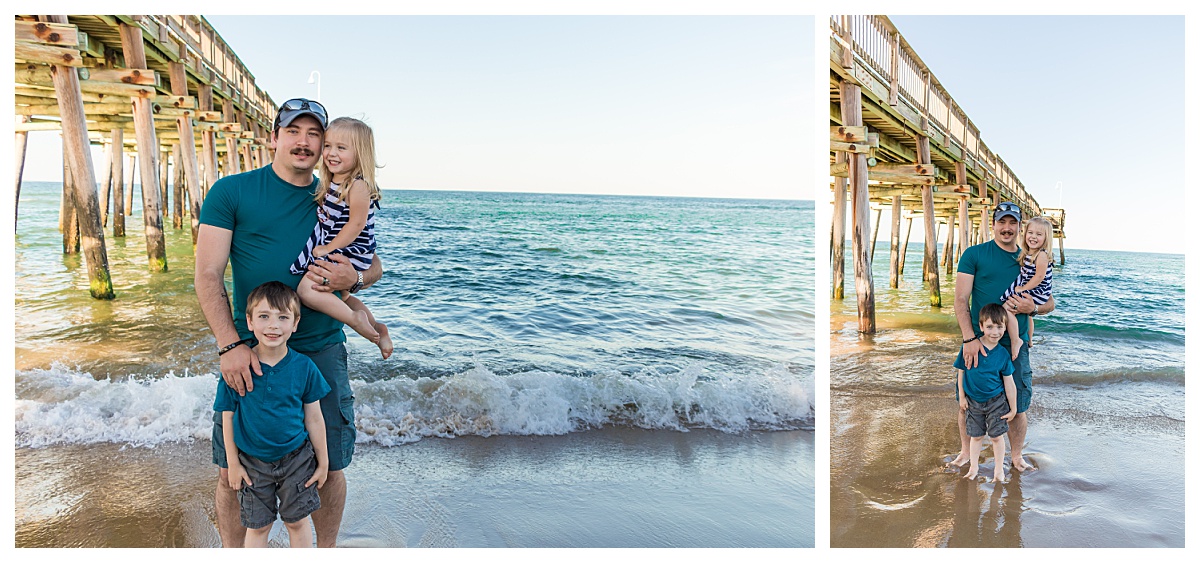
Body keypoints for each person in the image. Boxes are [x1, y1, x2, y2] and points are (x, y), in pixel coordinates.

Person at [196, 97, 383, 548]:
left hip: (320, 349)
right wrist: (229, 345)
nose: (303, 142)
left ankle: (326, 552)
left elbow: (373, 264)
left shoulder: (331, 195)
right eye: (293, 131)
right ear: (274, 137)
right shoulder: (233, 191)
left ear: (325, 145)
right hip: (249, 350)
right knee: (232, 470)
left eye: (313, 134)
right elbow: (206, 274)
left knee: (330, 464)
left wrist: (354, 277)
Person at [214, 282, 331, 548]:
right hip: (252, 462)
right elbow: (227, 417)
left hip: (296, 459)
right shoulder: (237, 368)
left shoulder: (305, 367)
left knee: (297, 522)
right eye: (264, 317)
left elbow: (314, 418)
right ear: (250, 322)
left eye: (282, 317)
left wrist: (322, 463)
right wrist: (232, 463)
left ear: (295, 323)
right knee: (258, 527)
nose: (273, 326)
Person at [951, 202, 1055, 474]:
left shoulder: (1028, 257)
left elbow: (1050, 302)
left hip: (1014, 346)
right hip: (978, 341)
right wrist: (968, 338)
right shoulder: (975, 254)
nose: (1007, 228)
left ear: (1020, 227)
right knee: (967, 402)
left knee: (1018, 405)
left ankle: (1016, 457)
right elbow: (961, 299)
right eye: (1002, 222)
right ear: (993, 223)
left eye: (1013, 223)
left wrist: (1030, 308)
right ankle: (965, 452)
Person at [289, 117, 392, 359]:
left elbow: (356, 224)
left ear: (360, 153)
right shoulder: (333, 181)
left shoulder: (358, 185)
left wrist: (328, 248)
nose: (331, 153)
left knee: (307, 290)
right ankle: (378, 329)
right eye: (328, 146)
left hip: (352, 250)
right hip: (343, 248)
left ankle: (356, 321)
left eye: (341, 148)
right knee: (342, 297)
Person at [954, 303, 1017, 483]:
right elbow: (961, 371)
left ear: (1005, 327)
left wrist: (1013, 408)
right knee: (976, 436)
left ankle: (999, 471)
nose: (995, 332)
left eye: (999, 327)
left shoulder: (1003, 354)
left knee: (997, 437)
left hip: (996, 401)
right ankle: (974, 468)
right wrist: (962, 396)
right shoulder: (970, 347)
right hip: (973, 401)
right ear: (981, 327)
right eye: (989, 327)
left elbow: (1009, 382)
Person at [999, 216, 1054, 355]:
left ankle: (1015, 339)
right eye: (1030, 233)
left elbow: (1039, 277)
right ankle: (1029, 339)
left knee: (1007, 308)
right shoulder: (1030, 252)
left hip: (1037, 290)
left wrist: (1023, 288)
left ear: (1046, 238)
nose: (1033, 237)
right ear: (1024, 233)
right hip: (1033, 287)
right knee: (1029, 315)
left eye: (1039, 234)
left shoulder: (1041, 255)